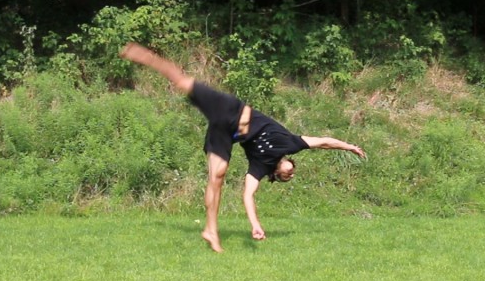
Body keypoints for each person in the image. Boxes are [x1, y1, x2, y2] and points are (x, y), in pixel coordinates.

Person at [120, 42, 366, 252]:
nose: (290, 174)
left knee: (217, 175)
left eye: (286, 178)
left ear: (276, 174)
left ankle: (211, 230)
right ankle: (144, 56)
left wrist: (255, 225)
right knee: (182, 81)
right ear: (290, 162)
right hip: (230, 109)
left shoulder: (260, 167)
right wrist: (349, 147)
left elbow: (248, 196)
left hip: (225, 132)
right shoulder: (291, 143)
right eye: (292, 172)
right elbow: (324, 142)